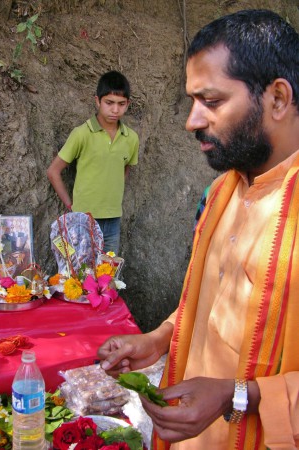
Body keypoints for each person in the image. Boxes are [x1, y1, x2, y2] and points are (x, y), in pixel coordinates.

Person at [97, 9, 299, 450]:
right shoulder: (221, 193)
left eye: (211, 101)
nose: (192, 120)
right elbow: (207, 307)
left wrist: (238, 394)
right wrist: (158, 340)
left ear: (278, 99)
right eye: (193, 102)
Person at [47, 71, 139, 255]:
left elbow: (124, 169)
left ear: (128, 104)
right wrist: (71, 205)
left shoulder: (131, 138)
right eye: (109, 103)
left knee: (108, 273)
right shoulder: (82, 134)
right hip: (83, 219)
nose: (115, 110)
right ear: (97, 101)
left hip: (113, 219)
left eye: (121, 104)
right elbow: (53, 171)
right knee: (81, 274)